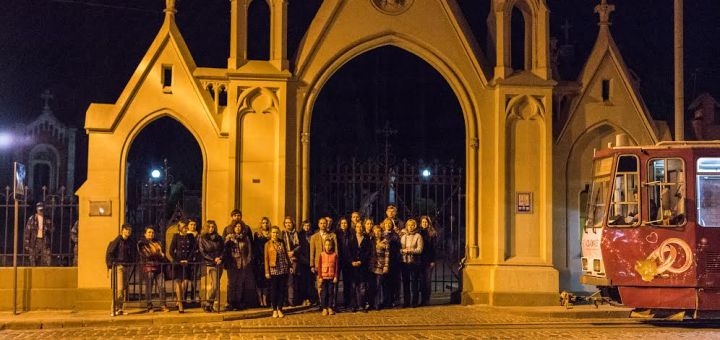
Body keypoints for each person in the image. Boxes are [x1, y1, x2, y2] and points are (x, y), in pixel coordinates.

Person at [137, 226, 170, 312]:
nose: (151, 234)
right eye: (149, 232)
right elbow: (147, 254)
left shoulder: (157, 242)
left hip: (159, 267)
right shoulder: (141, 243)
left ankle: (163, 305)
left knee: (162, 287)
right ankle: (149, 306)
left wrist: (160, 255)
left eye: (152, 232)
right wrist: (158, 253)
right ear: (145, 234)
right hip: (149, 267)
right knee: (149, 287)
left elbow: (162, 254)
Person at [105, 223, 135, 315]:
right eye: (126, 230)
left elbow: (132, 253)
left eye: (129, 230)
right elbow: (110, 252)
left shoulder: (130, 241)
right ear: (122, 231)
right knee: (119, 289)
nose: (128, 231)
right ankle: (113, 309)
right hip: (118, 266)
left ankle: (119, 309)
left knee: (123, 289)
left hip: (126, 266)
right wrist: (111, 265)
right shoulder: (118, 240)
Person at [169, 219, 197, 313]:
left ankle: (181, 299)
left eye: (186, 227)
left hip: (187, 263)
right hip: (178, 263)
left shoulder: (191, 236)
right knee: (178, 283)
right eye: (183, 227)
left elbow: (193, 249)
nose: (185, 229)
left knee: (185, 283)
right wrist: (178, 260)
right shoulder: (176, 236)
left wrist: (188, 260)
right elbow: (171, 250)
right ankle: (180, 303)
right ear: (180, 228)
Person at [224, 221, 253, 311]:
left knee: (240, 283)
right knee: (232, 283)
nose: (238, 228)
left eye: (239, 226)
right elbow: (224, 249)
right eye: (236, 226)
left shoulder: (246, 238)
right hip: (232, 263)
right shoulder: (229, 237)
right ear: (233, 228)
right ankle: (230, 302)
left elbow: (249, 250)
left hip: (242, 263)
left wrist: (247, 260)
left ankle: (238, 302)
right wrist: (228, 241)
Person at [264, 226, 291, 318]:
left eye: (276, 232)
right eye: (273, 232)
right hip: (274, 269)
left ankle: (280, 308)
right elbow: (266, 258)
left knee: (282, 290)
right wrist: (267, 272)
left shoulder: (282, 242)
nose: (275, 234)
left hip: (283, 268)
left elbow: (286, 255)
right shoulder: (267, 244)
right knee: (274, 290)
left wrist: (289, 265)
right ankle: (274, 309)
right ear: (271, 234)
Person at [198, 220, 224, 313]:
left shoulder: (219, 238)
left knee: (215, 285)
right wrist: (213, 259)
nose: (211, 229)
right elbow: (202, 252)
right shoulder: (202, 238)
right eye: (209, 227)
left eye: (213, 227)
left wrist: (220, 258)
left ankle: (209, 305)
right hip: (210, 264)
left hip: (219, 263)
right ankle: (208, 302)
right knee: (216, 284)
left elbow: (223, 249)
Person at [348, 220, 372, 312]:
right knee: (353, 286)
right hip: (353, 266)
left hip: (363, 266)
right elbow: (348, 251)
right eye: (357, 226)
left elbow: (368, 252)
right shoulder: (351, 238)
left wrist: (361, 261)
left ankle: (361, 305)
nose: (359, 228)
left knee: (362, 287)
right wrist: (352, 261)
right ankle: (353, 305)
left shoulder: (366, 238)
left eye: (361, 227)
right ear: (355, 228)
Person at [400, 218, 423, 307]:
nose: (411, 227)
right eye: (409, 225)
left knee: (414, 283)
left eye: (412, 225)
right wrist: (402, 251)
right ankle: (406, 302)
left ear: (415, 226)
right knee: (405, 283)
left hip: (414, 262)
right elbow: (400, 248)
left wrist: (410, 251)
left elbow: (420, 249)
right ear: (406, 226)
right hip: (404, 262)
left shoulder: (418, 236)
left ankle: (414, 302)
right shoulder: (403, 236)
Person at [24, 202, 53, 266]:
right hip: (34, 241)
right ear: (37, 209)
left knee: (47, 260)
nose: (41, 211)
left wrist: (47, 227)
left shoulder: (47, 219)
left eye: (42, 210)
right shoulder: (32, 219)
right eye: (39, 210)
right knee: (33, 260)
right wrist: (26, 244)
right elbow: (27, 232)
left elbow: (52, 229)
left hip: (44, 241)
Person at [382, 218, 401, 308]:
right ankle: (386, 300)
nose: (388, 225)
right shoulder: (381, 234)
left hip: (393, 261)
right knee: (384, 282)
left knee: (393, 282)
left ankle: (394, 301)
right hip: (383, 261)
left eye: (390, 224)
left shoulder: (395, 235)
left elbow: (398, 248)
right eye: (386, 223)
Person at [418, 215, 437, 306]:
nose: (424, 224)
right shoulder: (418, 232)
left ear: (428, 223)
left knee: (427, 280)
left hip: (429, 259)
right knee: (421, 280)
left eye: (426, 222)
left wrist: (433, 260)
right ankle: (422, 299)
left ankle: (427, 299)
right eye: (423, 222)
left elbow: (434, 248)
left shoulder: (432, 233)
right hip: (420, 259)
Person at [282, 216, 301, 307]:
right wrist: (286, 253)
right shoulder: (282, 234)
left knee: (292, 279)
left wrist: (293, 252)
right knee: (285, 280)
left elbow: (299, 246)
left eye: (289, 222)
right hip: (284, 259)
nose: (288, 224)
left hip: (294, 259)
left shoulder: (296, 234)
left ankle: (292, 300)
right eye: (286, 223)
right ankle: (285, 300)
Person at [369, 225, 389, 310]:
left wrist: (386, 266)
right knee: (371, 285)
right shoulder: (370, 241)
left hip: (380, 266)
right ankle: (371, 303)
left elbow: (387, 255)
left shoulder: (385, 242)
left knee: (378, 285)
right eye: (375, 231)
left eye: (379, 231)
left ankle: (377, 304)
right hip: (371, 266)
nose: (377, 233)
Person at [317, 239, 339, 316]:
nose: (328, 246)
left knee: (331, 293)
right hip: (323, 277)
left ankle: (330, 307)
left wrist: (336, 276)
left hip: (331, 277)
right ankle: (324, 308)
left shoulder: (335, 255)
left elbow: (336, 267)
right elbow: (319, 266)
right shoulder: (322, 254)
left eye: (329, 245)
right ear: (324, 246)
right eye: (326, 245)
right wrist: (320, 276)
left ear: (332, 246)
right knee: (324, 293)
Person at [335, 217, 354, 309]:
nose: (344, 225)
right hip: (339, 259)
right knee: (336, 281)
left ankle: (347, 302)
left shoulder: (351, 233)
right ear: (339, 224)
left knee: (348, 282)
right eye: (342, 223)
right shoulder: (336, 234)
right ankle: (334, 303)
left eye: (345, 223)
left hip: (348, 260)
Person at [253, 217, 271, 307]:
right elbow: (255, 248)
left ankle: (265, 299)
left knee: (266, 282)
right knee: (259, 281)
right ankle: (260, 300)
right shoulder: (257, 234)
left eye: (266, 223)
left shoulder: (271, 234)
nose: (265, 224)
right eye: (263, 223)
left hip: (269, 260)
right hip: (259, 261)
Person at [297, 219, 316, 306]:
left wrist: (312, 261)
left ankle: (310, 299)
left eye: (308, 226)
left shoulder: (313, 235)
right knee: (303, 281)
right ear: (302, 226)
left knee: (310, 282)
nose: (307, 227)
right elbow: (298, 249)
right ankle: (303, 299)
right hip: (303, 262)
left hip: (311, 262)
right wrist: (306, 261)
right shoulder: (299, 235)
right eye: (305, 226)